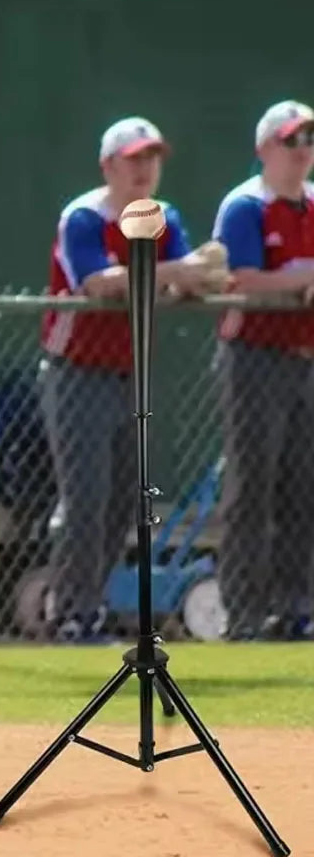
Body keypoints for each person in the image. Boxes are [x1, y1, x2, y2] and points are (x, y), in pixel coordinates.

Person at [38, 117, 216, 641]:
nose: (144, 169)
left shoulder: (164, 217)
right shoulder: (85, 217)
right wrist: (177, 274)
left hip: (129, 375)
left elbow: (185, 279)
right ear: (108, 165)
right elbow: (98, 282)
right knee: (85, 499)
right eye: (133, 159)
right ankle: (69, 614)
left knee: (122, 504)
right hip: (77, 373)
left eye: (151, 158)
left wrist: (190, 275)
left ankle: (91, 608)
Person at [212, 99, 314, 641]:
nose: (302, 152)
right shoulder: (246, 205)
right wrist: (303, 280)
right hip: (253, 359)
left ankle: (299, 608)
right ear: (264, 149)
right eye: (290, 141)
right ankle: (244, 613)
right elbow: (242, 277)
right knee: (252, 489)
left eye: (308, 141)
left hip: (305, 361)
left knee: (304, 488)